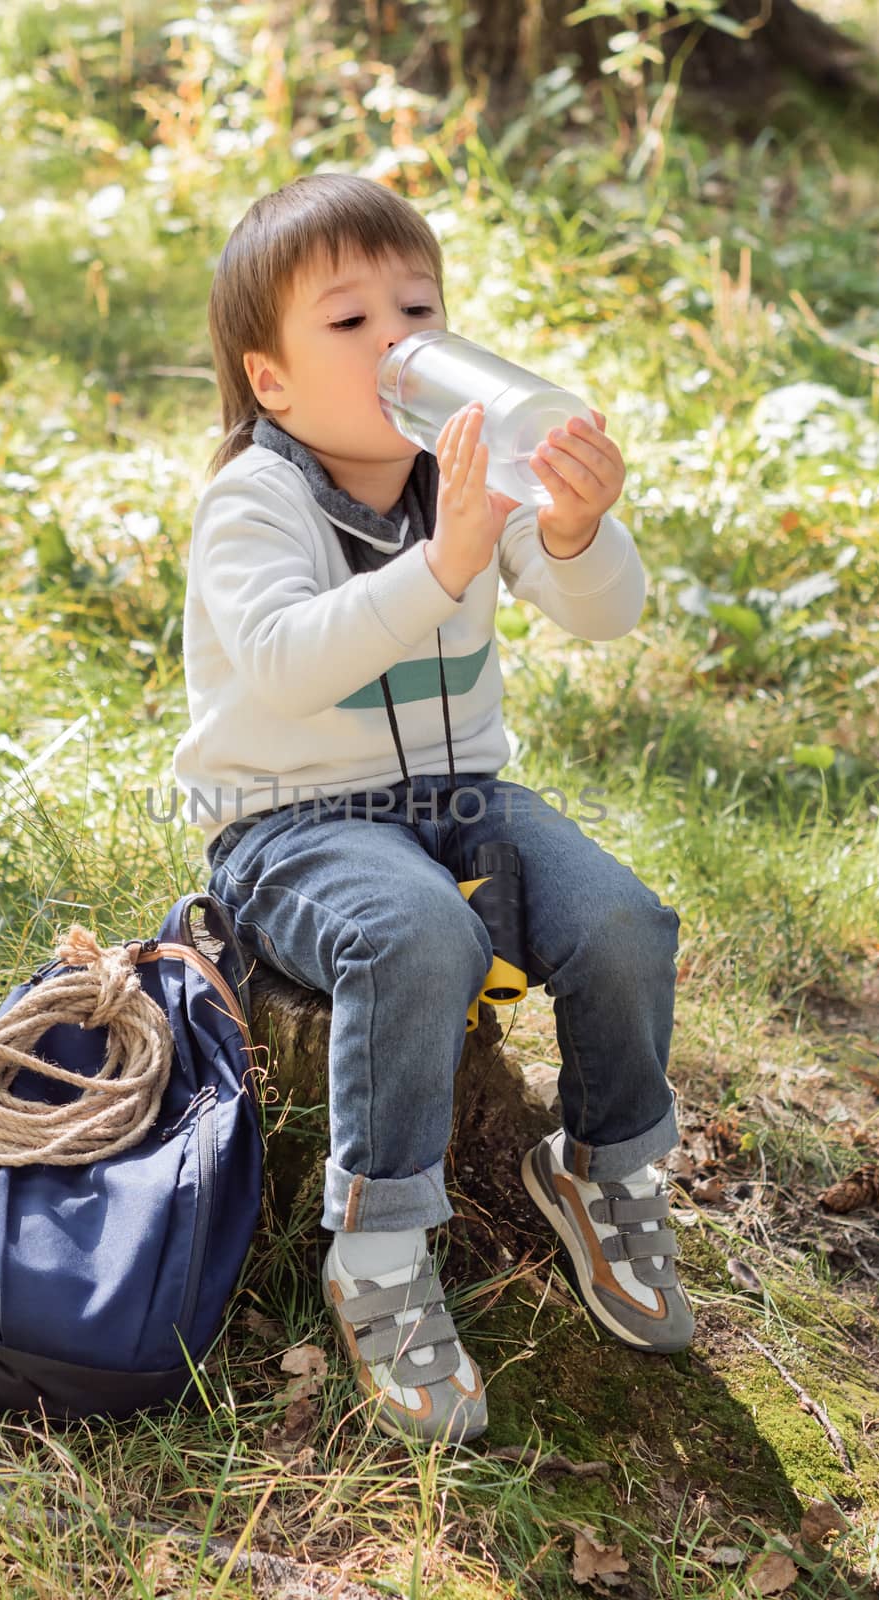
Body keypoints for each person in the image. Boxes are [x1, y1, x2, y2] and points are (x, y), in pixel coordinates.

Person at [171, 172, 692, 1447]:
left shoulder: (465, 471)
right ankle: (382, 1245)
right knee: (417, 935)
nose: (398, 341)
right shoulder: (259, 498)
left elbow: (604, 614)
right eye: (349, 323)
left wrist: (575, 527)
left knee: (624, 920)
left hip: (462, 803)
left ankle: (602, 1168)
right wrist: (441, 563)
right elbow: (288, 661)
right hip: (291, 823)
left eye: (418, 307)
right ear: (273, 378)